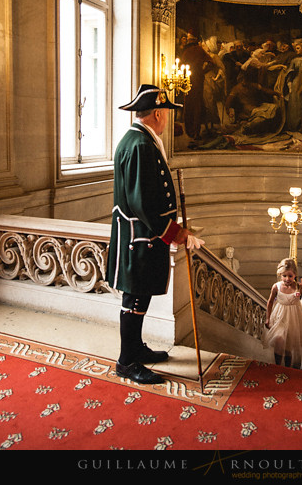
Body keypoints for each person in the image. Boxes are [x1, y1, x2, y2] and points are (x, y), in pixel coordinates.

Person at [106, 84, 205, 384]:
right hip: (139, 239)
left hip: (142, 238)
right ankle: (127, 361)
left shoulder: (139, 140)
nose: (169, 121)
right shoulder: (140, 146)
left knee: (140, 297)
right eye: (168, 114)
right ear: (159, 114)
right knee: (134, 300)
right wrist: (177, 234)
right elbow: (143, 202)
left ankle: (136, 349)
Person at [263, 258, 302, 369]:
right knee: (279, 339)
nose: (287, 279)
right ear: (280, 274)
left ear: (295, 275)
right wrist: (268, 318)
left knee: (289, 345)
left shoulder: (299, 287)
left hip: (295, 318)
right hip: (280, 317)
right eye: (284, 276)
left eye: (290, 276)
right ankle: (277, 365)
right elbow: (269, 302)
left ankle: (288, 368)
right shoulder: (276, 287)